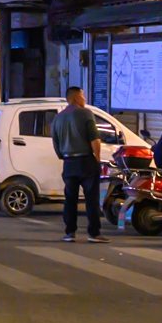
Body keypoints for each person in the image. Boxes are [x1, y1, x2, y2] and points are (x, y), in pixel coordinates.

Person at [51, 86, 105, 243]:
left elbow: (55, 143)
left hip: (68, 163)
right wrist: (98, 157)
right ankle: (94, 233)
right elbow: (94, 138)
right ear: (75, 98)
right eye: (83, 96)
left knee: (70, 198)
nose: (85, 99)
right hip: (86, 161)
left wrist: (64, 156)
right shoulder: (86, 113)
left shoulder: (58, 118)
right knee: (91, 198)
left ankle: (70, 233)